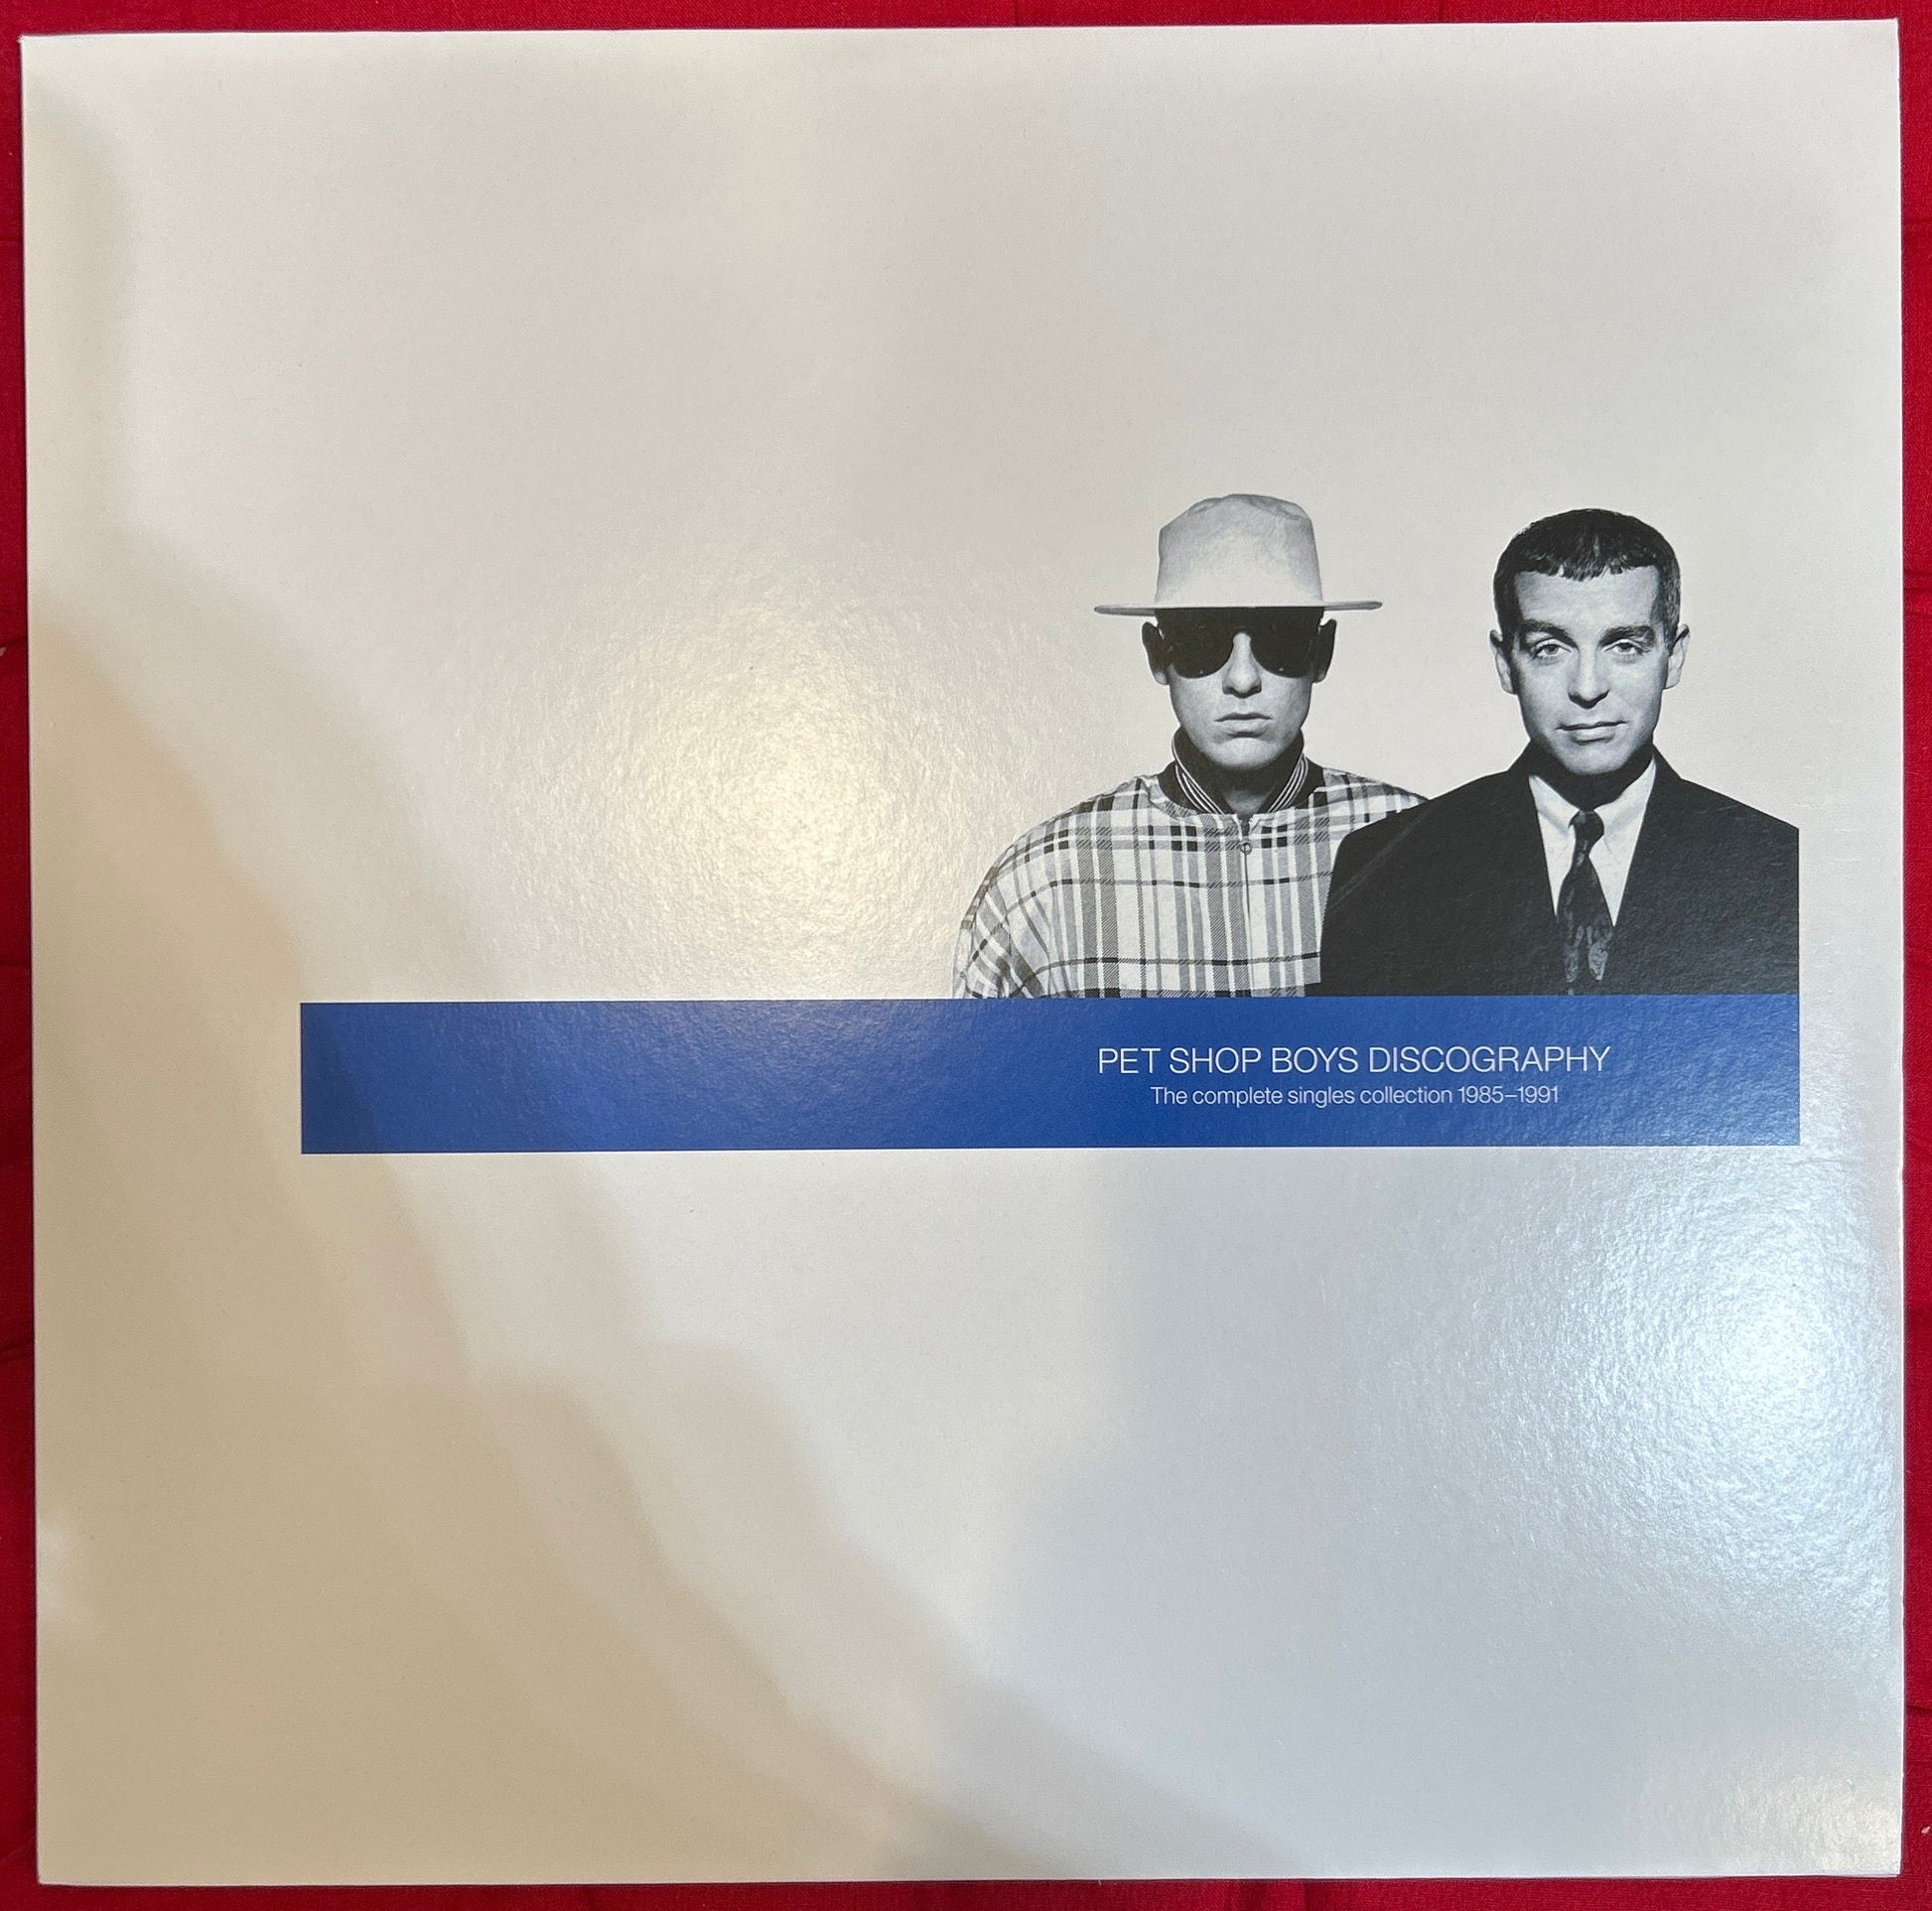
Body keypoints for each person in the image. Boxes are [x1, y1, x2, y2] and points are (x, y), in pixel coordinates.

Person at [953, 493, 1419, 997]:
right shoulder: (1044, 881)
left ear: (1322, 652)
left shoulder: (1419, 846)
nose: (1242, 679)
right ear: (1158, 655)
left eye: (1280, 637)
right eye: (1202, 639)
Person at [1319, 507, 1798, 996]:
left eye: (1624, 646)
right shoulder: (1391, 868)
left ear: (1672, 657)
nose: (1587, 688)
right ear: (1506, 664)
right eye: (1550, 648)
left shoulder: (1779, 866)